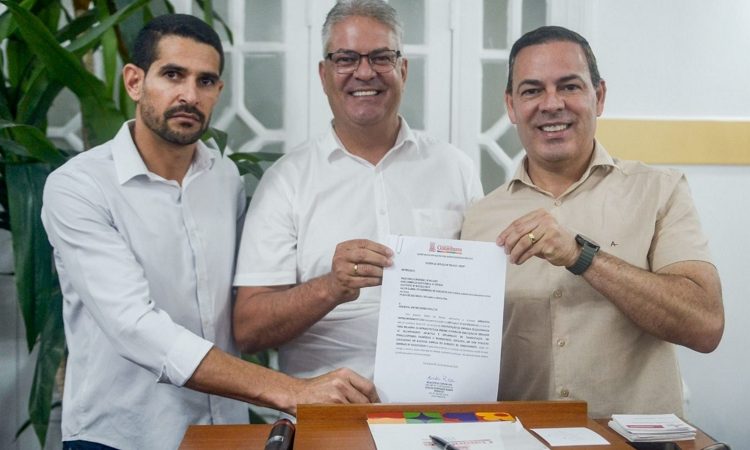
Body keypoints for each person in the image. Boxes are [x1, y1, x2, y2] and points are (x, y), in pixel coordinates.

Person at [41, 14, 377, 450]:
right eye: (172, 75)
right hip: (121, 437)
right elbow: (134, 326)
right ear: (134, 82)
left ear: (218, 91)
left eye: (205, 81)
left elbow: (242, 308)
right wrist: (291, 390)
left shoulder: (224, 178)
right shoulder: (79, 187)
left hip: (221, 433)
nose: (189, 95)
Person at [461, 25, 724, 418]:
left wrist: (582, 256)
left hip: (635, 442)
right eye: (532, 90)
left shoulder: (660, 191)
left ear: (598, 96)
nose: (552, 104)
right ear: (511, 106)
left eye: (569, 86)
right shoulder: (479, 218)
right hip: (520, 437)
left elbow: (705, 325)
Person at [232, 0, 483, 382]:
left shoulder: (455, 168)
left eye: (381, 57)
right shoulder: (286, 181)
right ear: (324, 74)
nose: (364, 73)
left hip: (437, 401)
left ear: (403, 69)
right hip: (326, 403)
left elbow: (484, 297)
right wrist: (331, 287)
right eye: (346, 59)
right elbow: (248, 330)